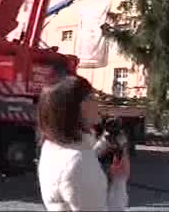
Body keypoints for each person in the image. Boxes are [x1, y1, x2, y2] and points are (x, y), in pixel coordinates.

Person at [37, 76, 129, 211]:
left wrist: (103, 144)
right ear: (75, 108)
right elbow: (77, 166)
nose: (97, 102)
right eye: (91, 97)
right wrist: (120, 181)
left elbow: (75, 160)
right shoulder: (78, 163)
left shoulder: (51, 146)